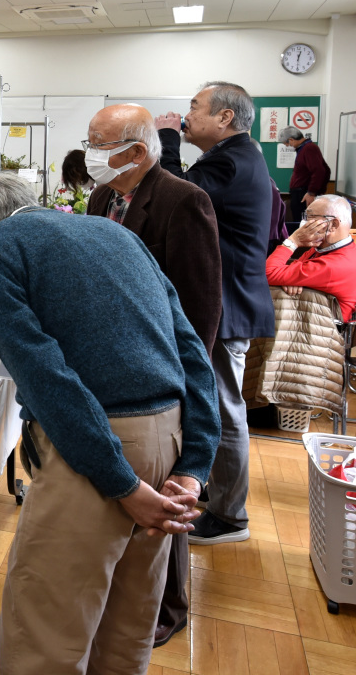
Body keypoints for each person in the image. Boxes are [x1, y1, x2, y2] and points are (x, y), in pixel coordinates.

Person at [0, 174, 218, 675]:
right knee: (129, 627)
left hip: (96, 453)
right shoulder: (118, 234)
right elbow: (191, 352)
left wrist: (121, 482)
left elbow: (45, 376)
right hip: (169, 442)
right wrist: (194, 466)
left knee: (46, 637)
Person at [84, 104, 222, 648]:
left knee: (168, 494)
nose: (90, 153)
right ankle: (124, 595)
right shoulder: (102, 197)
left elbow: (201, 305)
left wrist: (191, 385)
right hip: (110, 365)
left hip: (162, 372)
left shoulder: (183, 201)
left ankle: (169, 609)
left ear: (137, 151)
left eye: (100, 143)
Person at [156, 81, 275, 546]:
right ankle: (218, 495)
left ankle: (229, 516)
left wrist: (165, 138)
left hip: (225, 304)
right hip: (223, 299)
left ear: (225, 118)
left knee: (223, 409)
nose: (186, 115)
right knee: (214, 404)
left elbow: (175, 194)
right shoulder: (236, 158)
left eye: (194, 107)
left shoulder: (231, 160)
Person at [266, 194, 356, 320]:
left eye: (311, 217)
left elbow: (267, 273)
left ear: (334, 224)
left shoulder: (333, 265)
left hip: (327, 332)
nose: (305, 222)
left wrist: (293, 241)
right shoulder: (325, 247)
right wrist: (288, 278)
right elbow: (285, 270)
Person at [279, 126, 330, 223]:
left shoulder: (309, 148)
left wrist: (311, 192)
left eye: (287, 144)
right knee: (298, 220)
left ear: (291, 140)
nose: (289, 146)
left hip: (304, 193)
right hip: (300, 193)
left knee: (302, 223)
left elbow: (320, 171)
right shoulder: (303, 148)